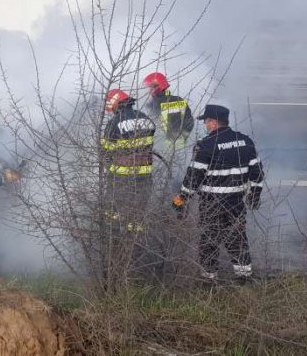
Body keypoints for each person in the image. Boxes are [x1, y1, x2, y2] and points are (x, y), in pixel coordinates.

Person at [172, 104, 264, 281]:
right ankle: (244, 278)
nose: (205, 125)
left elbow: (193, 177)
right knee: (237, 239)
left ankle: (208, 280)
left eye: (206, 121)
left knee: (209, 241)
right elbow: (257, 173)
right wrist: (255, 194)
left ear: (213, 122)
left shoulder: (205, 145)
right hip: (236, 203)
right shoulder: (245, 141)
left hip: (212, 203)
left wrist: (182, 199)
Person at [101, 89, 157, 233]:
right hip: (145, 175)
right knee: (138, 210)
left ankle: (113, 235)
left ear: (115, 104)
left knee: (114, 210)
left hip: (120, 178)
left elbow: (106, 152)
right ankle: (135, 239)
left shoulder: (114, 123)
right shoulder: (146, 119)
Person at [143, 72, 194, 148]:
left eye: (149, 87)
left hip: (160, 147)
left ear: (156, 87)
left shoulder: (152, 105)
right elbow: (190, 123)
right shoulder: (179, 100)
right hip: (180, 146)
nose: (147, 90)